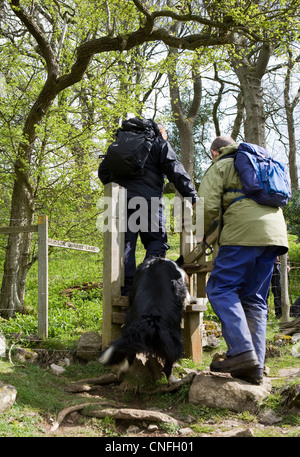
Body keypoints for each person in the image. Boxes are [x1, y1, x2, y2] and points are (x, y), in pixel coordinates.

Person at [198, 136, 289, 384]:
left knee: (220, 288)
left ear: (215, 152)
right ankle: (254, 366)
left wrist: (203, 237)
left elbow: (206, 206)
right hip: (275, 235)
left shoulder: (222, 165)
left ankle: (241, 352)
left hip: (242, 233)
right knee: (255, 298)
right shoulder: (263, 162)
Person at [98, 120, 198, 295]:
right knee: (156, 242)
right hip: (148, 202)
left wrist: (120, 187)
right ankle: (147, 286)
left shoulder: (119, 144)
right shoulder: (158, 143)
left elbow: (103, 172)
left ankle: (126, 290)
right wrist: (193, 197)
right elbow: (176, 170)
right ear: (160, 132)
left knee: (125, 245)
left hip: (120, 203)